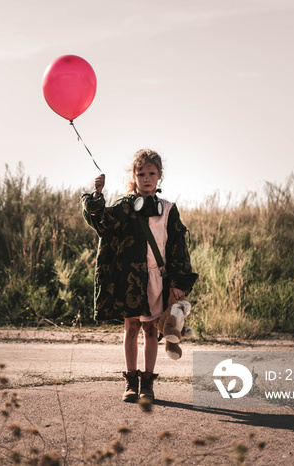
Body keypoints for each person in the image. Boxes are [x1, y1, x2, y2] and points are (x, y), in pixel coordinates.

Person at [81, 149, 198, 403]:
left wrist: (178, 282)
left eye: (151, 174)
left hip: (157, 279)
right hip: (130, 280)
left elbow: (179, 247)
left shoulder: (168, 210)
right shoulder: (124, 206)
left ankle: (148, 383)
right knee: (131, 327)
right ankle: (131, 381)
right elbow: (101, 224)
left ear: (159, 177)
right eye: (141, 173)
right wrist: (97, 195)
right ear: (133, 176)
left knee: (150, 329)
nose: (146, 178)